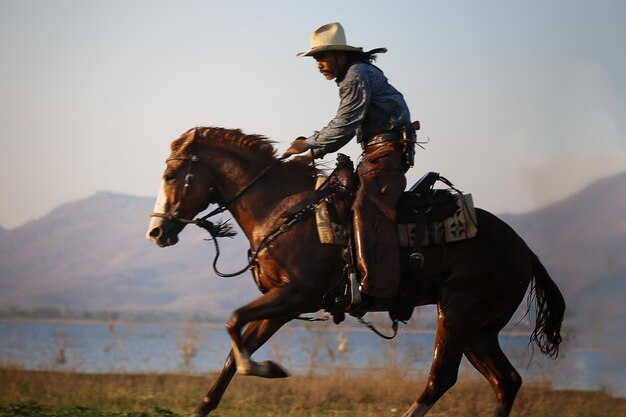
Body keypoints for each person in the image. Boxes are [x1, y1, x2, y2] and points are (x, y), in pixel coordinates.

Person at [283, 22, 414, 303]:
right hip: (376, 153)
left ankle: (376, 286)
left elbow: (345, 124)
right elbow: (343, 124)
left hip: (384, 155)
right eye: (315, 59)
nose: (318, 64)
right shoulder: (356, 75)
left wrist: (310, 149)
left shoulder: (356, 76)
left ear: (341, 55)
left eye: (322, 56)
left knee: (364, 207)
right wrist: (309, 145)